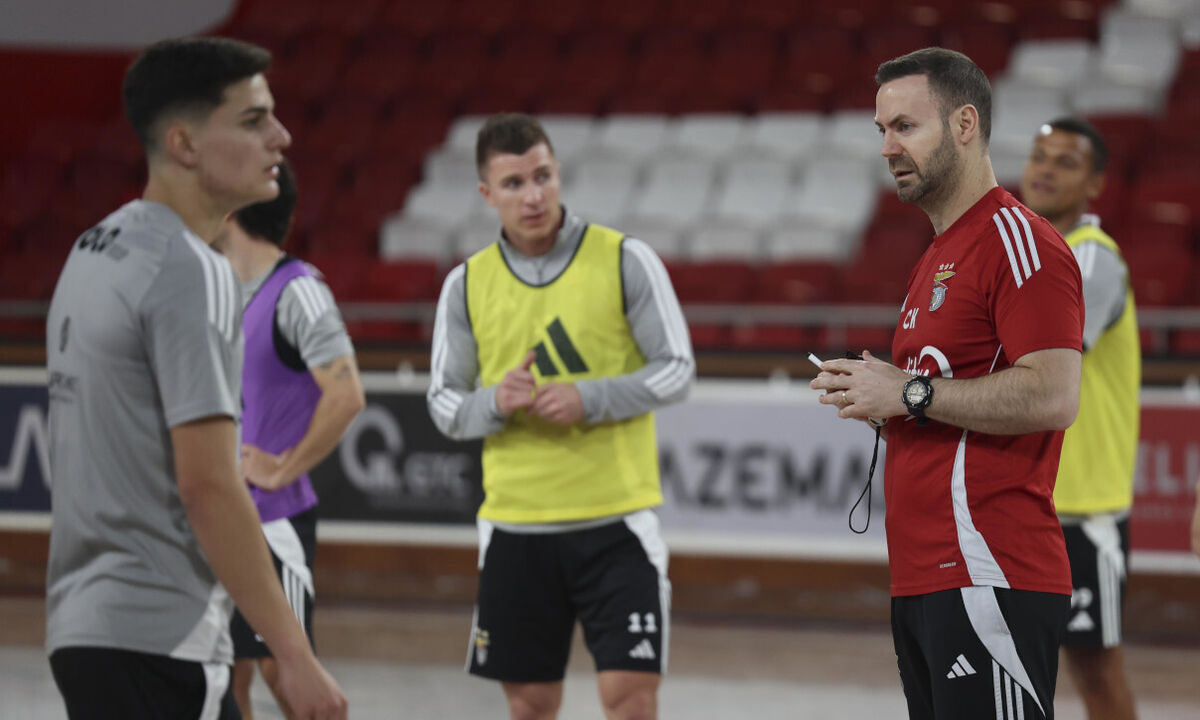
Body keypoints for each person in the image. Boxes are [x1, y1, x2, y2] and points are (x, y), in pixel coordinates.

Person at [44, 37, 347, 720]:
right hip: (164, 636)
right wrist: (293, 656)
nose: (282, 136)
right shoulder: (193, 273)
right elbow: (209, 484)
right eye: (252, 120)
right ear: (183, 144)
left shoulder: (93, 248)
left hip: (84, 629)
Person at [811, 48, 1083, 719]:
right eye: (881, 130)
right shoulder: (937, 253)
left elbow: (1054, 394)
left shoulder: (1021, 243)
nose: (886, 147)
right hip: (926, 578)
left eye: (905, 126)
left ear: (965, 125)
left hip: (989, 572)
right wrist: (883, 397)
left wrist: (908, 394)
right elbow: (933, 393)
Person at [426, 113, 694, 720]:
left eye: (543, 176)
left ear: (558, 173)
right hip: (516, 528)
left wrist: (589, 398)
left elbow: (676, 369)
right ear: (486, 194)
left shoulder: (626, 259)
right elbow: (444, 405)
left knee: (630, 699)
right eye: (515, 183)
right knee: (530, 706)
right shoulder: (465, 285)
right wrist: (495, 402)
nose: (534, 195)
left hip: (617, 525)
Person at [214, 160, 365, 719]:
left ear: (229, 208)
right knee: (226, 677)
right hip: (218, 519)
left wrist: (281, 467)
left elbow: (347, 394)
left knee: (291, 678)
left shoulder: (298, 290)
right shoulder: (216, 288)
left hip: (272, 523)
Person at [1020, 118, 1141, 720]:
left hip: (1083, 509)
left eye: (1065, 162)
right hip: (1027, 499)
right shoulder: (1032, 254)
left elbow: (1043, 360)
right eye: (1039, 156)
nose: (1043, 169)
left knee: (1096, 672)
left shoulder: (1092, 260)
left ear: (1095, 184)